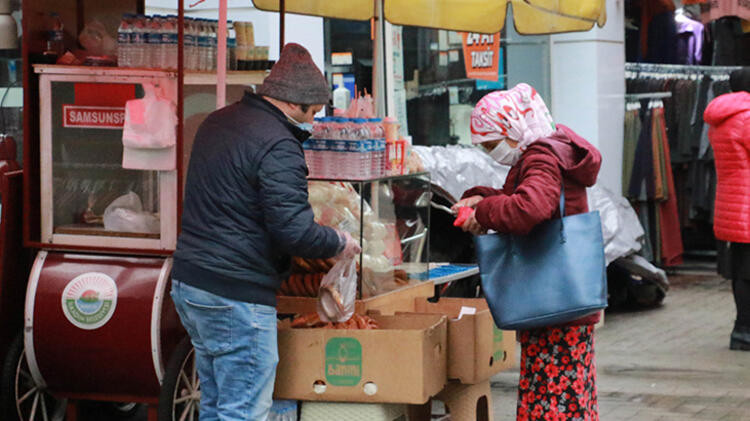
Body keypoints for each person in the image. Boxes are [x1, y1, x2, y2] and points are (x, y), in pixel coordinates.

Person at [170, 43, 361, 420]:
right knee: (243, 412)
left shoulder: (218, 121)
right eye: (313, 112)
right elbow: (294, 232)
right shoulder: (279, 143)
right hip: (236, 294)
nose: (313, 121)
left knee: (216, 404)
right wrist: (340, 242)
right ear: (294, 104)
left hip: (191, 284)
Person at [453, 83, 602, 421]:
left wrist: (485, 213)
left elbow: (530, 208)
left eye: (493, 144)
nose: (493, 153)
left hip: (556, 301)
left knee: (554, 399)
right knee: (561, 394)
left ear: (512, 128)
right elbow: (528, 197)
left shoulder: (541, 156)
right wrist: (482, 199)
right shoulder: (549, 150)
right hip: (562, 299)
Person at [704, 67, 750, 351]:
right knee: (746, 271)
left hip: (731, 201)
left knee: (741, 269)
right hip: (747, 201)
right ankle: (744, 329)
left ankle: (742, 328)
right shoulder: (746, 118)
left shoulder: (722, 118)